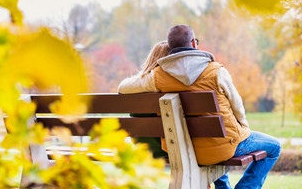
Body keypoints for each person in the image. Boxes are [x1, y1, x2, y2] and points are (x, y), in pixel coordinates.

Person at [118, 24, 281, 189]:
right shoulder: (216, 71)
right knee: (274, 147)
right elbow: (238, 108)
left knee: (210, 140)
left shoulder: (157, 77)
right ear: (193, 44)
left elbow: (123, 88)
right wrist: (244, 129)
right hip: (222, 147)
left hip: (183, 150)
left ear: (170, 48)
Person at [118, 41, 169, 158]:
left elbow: (121, 86)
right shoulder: (170, 86)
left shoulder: (135, 86)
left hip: (143, 147)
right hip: (166, 149)